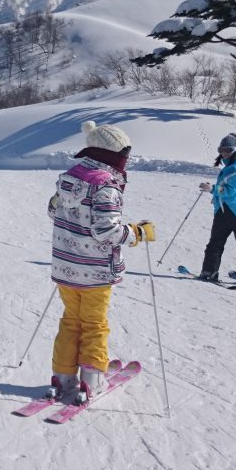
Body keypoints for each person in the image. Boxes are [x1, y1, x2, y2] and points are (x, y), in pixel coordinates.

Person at [46, 120, 155, 404]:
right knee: (94, 324)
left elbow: (52, 210)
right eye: (124, 156)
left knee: (71, 321)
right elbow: (106, 231)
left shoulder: (69, 178)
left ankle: (64, 376)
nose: (125, 163)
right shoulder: (105, 186)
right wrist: (136, 233)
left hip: (66, 268)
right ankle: (92, 380)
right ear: (113, 155)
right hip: (94, 272)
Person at [196, 133, 236, 284]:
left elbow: (230, 191)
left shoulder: (234, 169)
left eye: (227, 150)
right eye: (221, 149)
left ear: (235, 151)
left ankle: (209, 271)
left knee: (216, 241)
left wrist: (212, 188)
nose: (224, 153)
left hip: (228, 211)